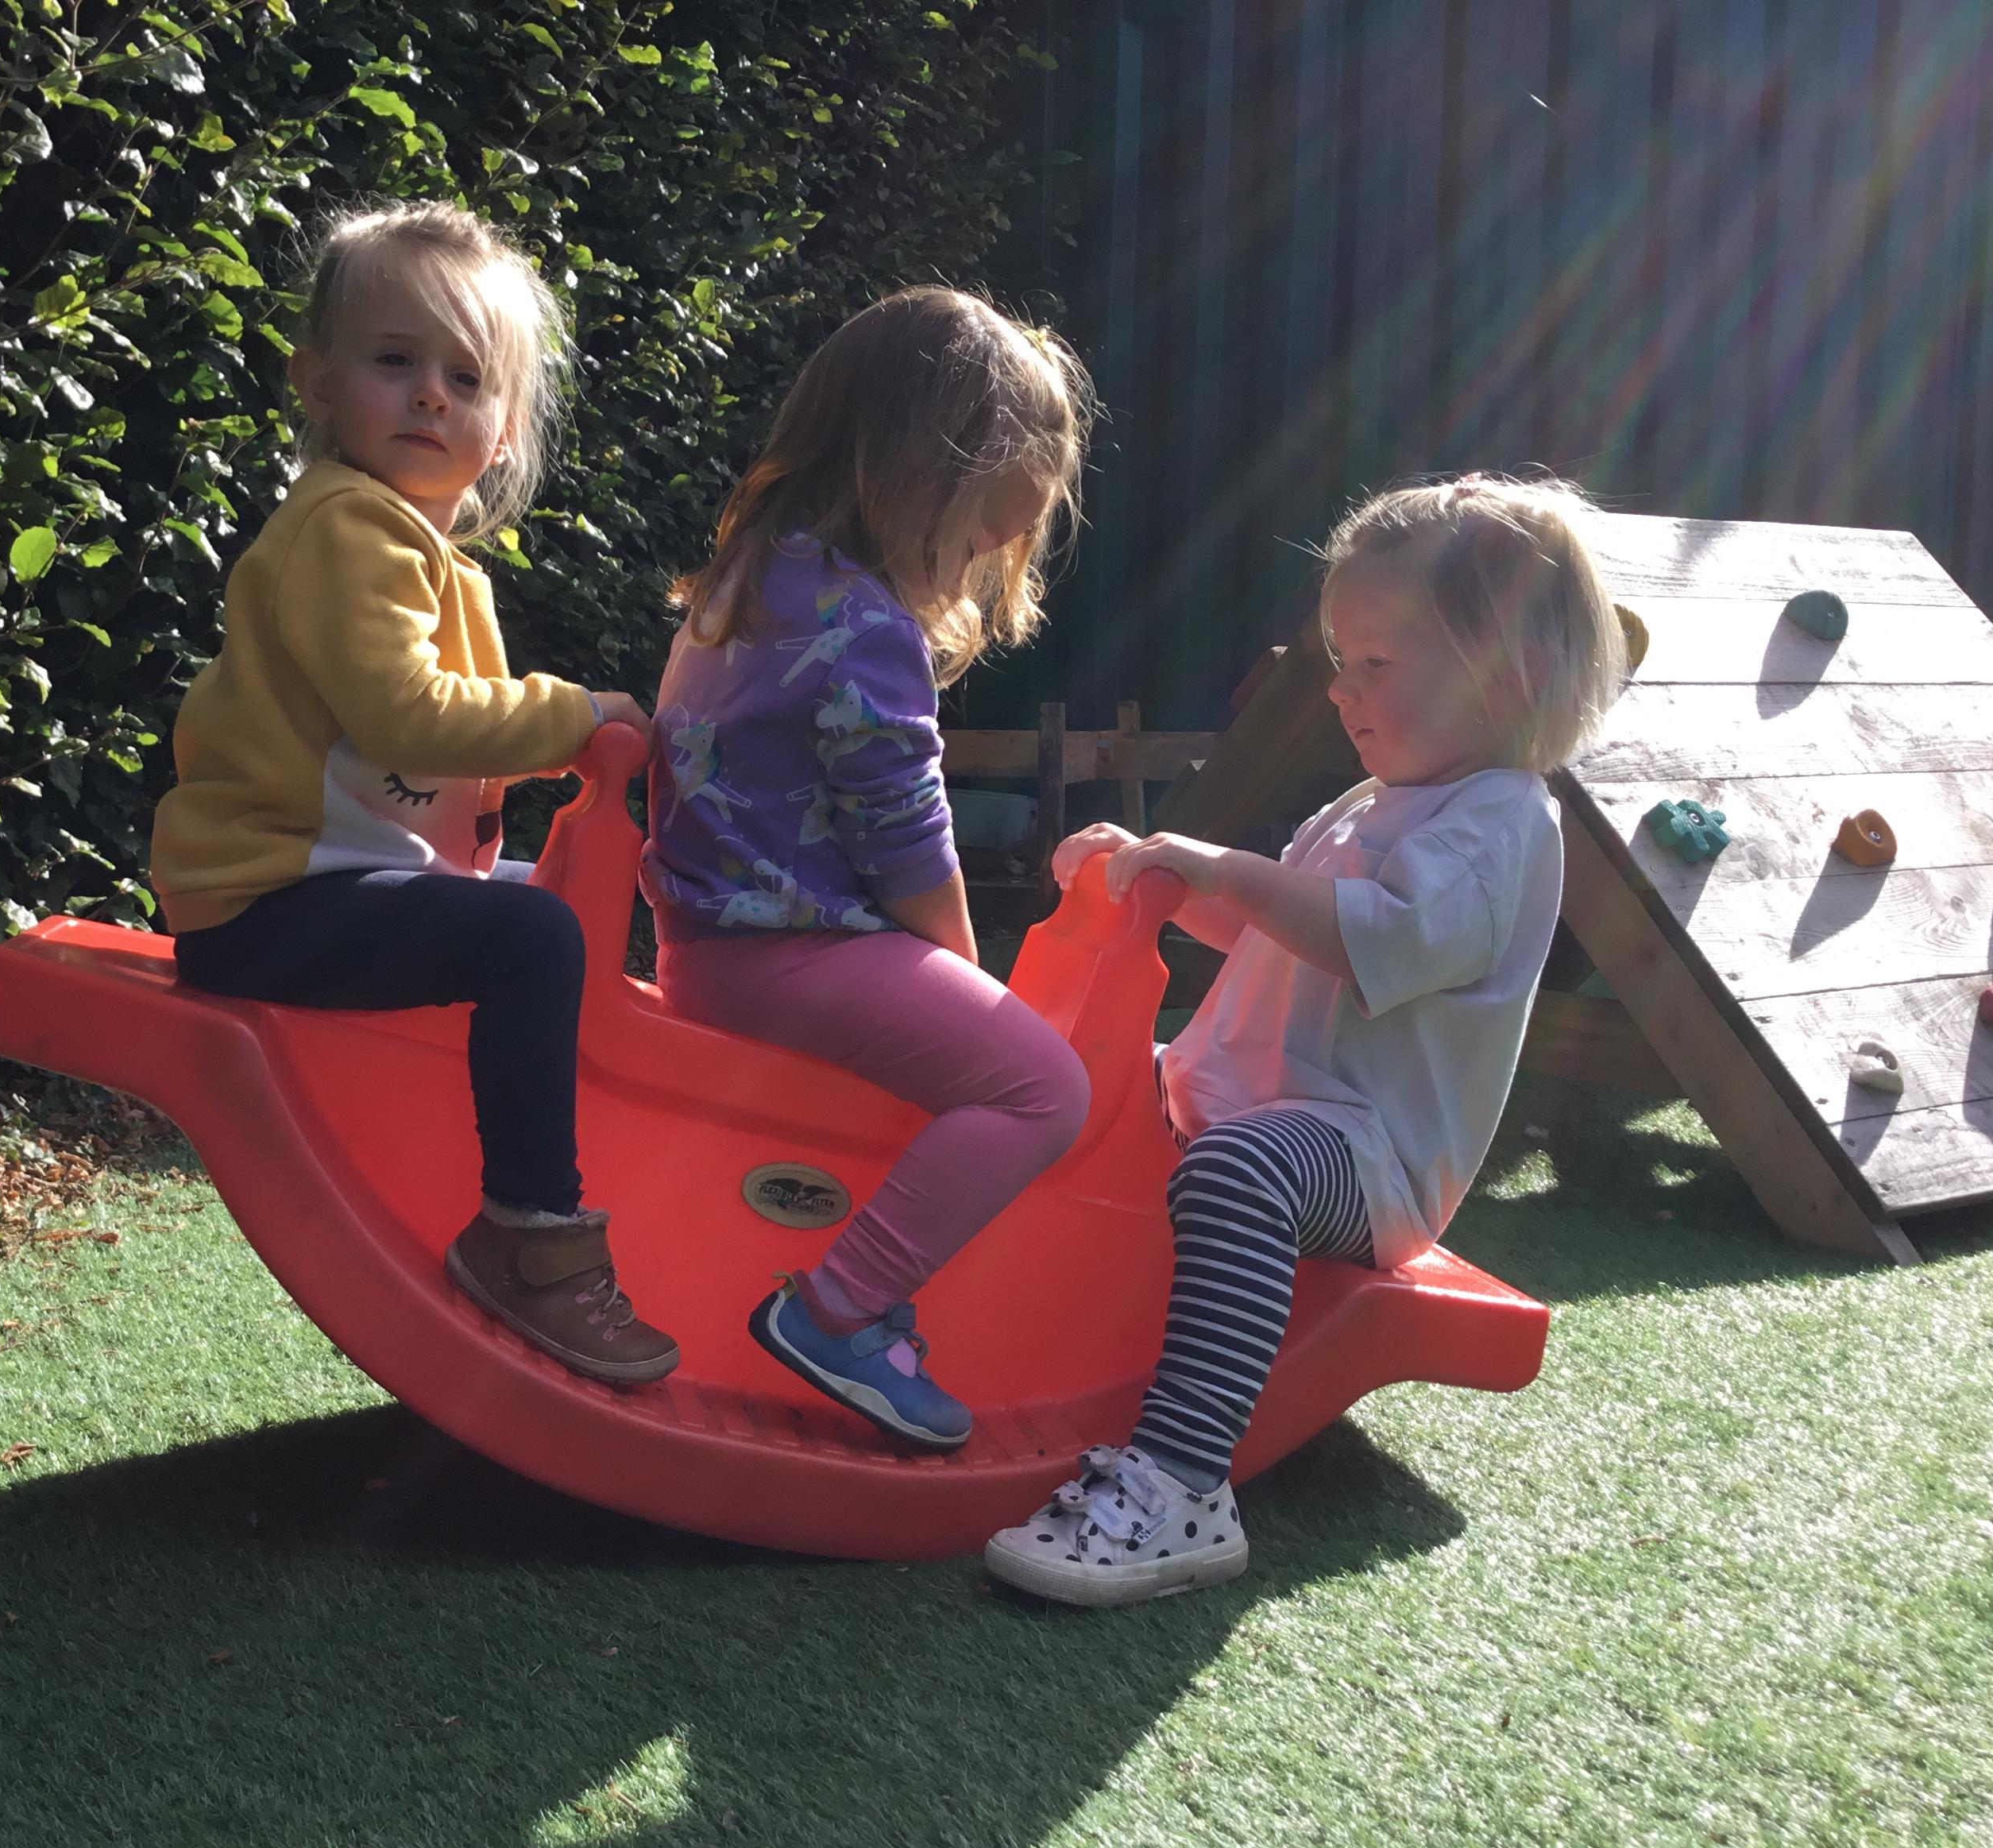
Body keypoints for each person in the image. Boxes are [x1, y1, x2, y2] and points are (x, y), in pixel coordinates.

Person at [986, 474, 1630, 1603]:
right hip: (1243, 1098)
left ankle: (1182, 1487)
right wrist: (1161, 878)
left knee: (1241, 1172)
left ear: (1508, 672)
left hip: (1366, 1158)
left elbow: (1366, 935)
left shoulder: (1502, 827)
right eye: (1342, 659)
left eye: (1376, 662)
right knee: (1060, 1088)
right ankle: (987, 1330)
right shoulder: (1373, 804)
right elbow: (1267, 929)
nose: (1341, 687)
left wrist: (1224, 867)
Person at [150, 202, 679, 1386]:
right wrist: (579, 716)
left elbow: (424, 755)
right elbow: (409, 718)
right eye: (396, 361)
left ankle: (552, 1148)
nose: (431, 396)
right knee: (533, 936)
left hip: (337, 878)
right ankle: (532, 1240)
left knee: (545, 910)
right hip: (271, 897)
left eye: (466, 376)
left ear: (505, 427)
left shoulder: (415, 552)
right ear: (318, 382)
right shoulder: (350, 531)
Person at [641, 288, 1095, 1449]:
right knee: (1044, 1087)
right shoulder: (861, 624)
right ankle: (838, 1311)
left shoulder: (755, 579)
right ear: (919, 475)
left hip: (710, 946)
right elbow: (906, 839)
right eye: (980, 531)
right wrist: (967, 975)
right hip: (790, 954)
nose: (981, 558)